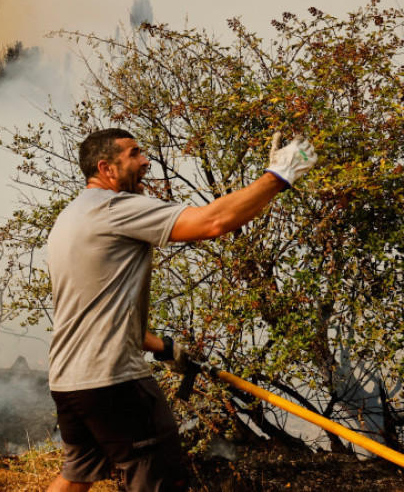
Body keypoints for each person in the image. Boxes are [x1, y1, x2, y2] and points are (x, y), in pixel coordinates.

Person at [45, 128, 317, 492]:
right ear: (106, 168)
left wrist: (166, 348)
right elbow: (212, 222)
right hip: (113, 381)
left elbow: (95, 314)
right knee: (159, 480)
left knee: (77, 477)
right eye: (134, 154)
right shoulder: (113, 208)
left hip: (69, 382)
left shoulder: (69, 219)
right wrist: (278, 176)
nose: (146, 161)